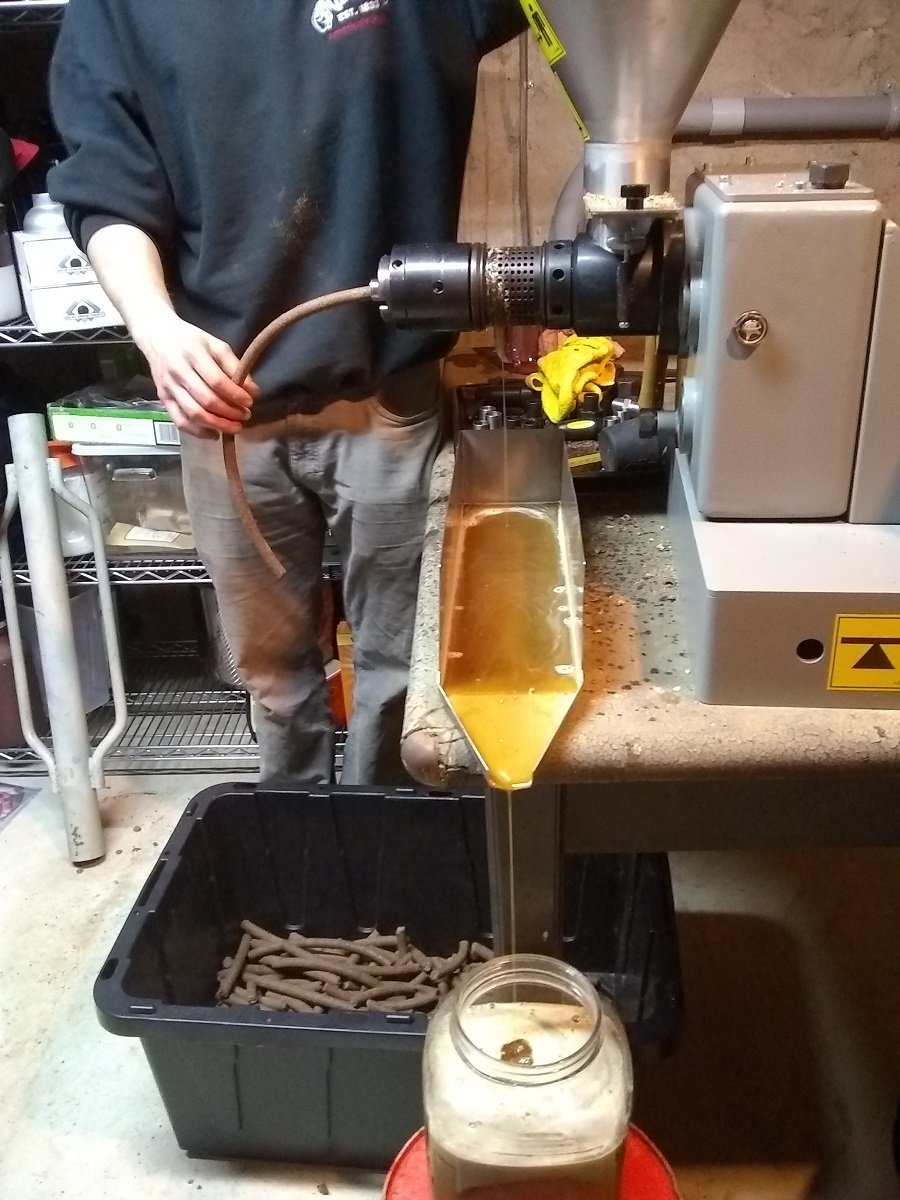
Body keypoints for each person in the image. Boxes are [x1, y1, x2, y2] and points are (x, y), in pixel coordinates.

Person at [48, 0, 527, 784]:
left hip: (387, 398)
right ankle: (302, 857)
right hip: (226, 407)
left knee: (399, 673)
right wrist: (156, 329)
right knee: (273, 678)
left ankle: (383, 860)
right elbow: (106, 188)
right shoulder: (117, 8)